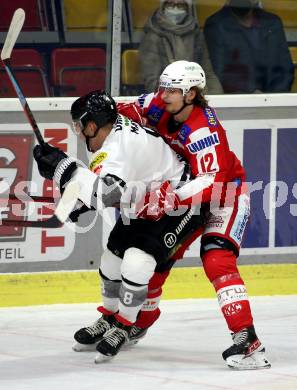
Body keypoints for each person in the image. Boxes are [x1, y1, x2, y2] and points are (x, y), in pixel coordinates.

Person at [117, 60, 271, 370]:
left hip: (224, 195)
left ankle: (248, 339)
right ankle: (142, 322)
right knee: (156, 256)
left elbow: (211, 183)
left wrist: (169, 199)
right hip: (188, 194)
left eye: (172, 90)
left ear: (191, 94)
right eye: (163, 87)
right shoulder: (159, 104)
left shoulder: (205, 130)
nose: (164, 94)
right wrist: (100, 110)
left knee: (217, 257)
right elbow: (126, 110)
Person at [32, 90, 205, 362]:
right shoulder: (109, 133)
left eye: (78, 126)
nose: (78, 132)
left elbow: (107, 195)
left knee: (136, 263)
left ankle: (125, 325)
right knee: (111, 261)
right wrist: (75, 202)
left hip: (180, 202)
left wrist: (61, 167)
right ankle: (110, 317)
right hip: (145, 198)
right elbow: (105, 188)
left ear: (92, 125)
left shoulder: (116, 148)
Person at [204, 0, 294, 93]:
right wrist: (251, 97)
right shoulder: (216, 26)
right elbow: (219, 73)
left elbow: (285, 70)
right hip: (238, 103)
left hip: (274, 101)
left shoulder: (272, 23)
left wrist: (271, 98)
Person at [139, 0, 223, 94]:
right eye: (170, 4)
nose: (175, 9)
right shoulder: (152, 37)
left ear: (188, 8)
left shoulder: (195, 34)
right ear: (163, 6)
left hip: (195, 94)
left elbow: (208, 73)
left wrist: (217, 99)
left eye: (180, 5)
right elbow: (152, 82)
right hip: (169, 97)